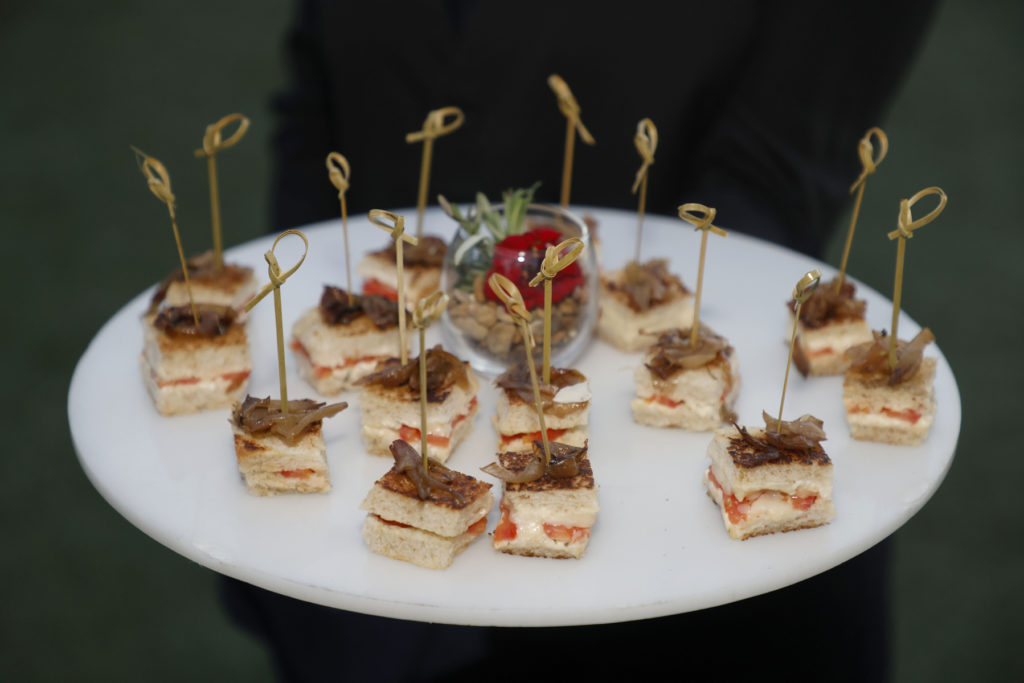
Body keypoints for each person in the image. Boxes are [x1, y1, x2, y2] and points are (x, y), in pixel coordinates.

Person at [224, 1, 937, 680]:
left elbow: (783, 154)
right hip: (350, 615)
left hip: (696, 629)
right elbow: (316, 105)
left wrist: (692, 320)